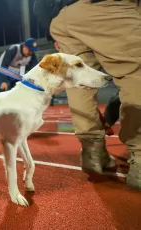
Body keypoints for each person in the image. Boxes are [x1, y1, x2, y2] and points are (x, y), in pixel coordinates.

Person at [34, 0, 141, 189]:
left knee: (78, 83)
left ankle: (92, 153)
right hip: (108, 6)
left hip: (59, 14)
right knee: (135, 74)